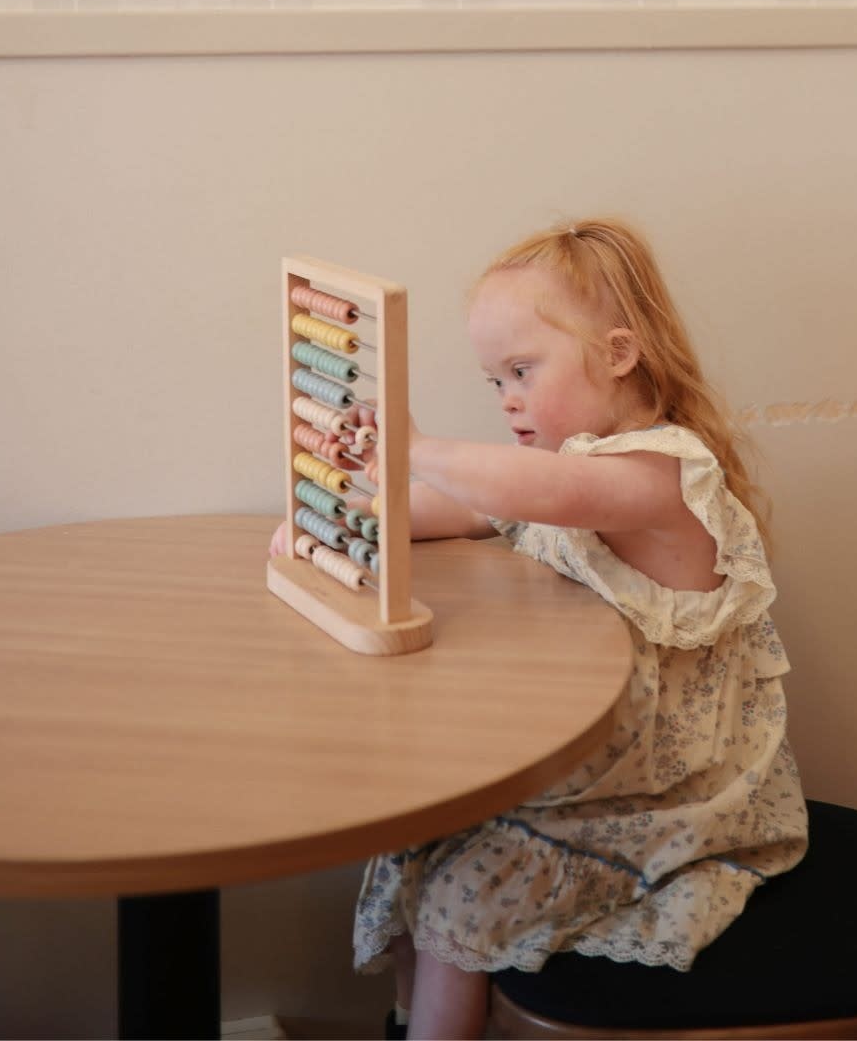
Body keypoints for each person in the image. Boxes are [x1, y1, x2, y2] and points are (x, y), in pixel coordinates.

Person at [285, 218, 808, 1039]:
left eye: (522, 371)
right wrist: (343, 514)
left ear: (620, 353)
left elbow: (538, 491)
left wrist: (417, 447)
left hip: (668, 797)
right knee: (416, 841)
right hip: (577, 756)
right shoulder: (569, 462)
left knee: (462, 895)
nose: (507, 399)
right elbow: (465, 508)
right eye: (496, 380)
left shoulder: (663, 475)